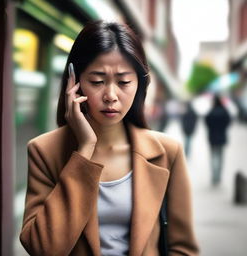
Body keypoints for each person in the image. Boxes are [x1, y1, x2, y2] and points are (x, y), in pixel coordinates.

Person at [20, 20, 199, 256]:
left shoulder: (168, 152)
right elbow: (42, 248)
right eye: (97, 81)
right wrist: (84, 151)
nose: (111, 96)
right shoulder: (44, 151)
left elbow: (183, 248)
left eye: (124, 82)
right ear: (74, 82)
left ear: (140, 84)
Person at [205, 95, 231, 186]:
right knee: (220, 157)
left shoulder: (211, 112)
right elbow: (228, 122)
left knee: (213, 157)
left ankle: (214, 176)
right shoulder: (225, 111)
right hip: (222, 138)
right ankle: (218, 176)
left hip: (212, 138)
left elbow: (207, 123)